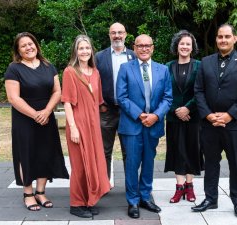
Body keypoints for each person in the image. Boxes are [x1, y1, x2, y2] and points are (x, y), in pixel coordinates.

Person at [192, 24, 237, 217]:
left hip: (235, 124)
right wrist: (208, 115)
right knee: (211, 162)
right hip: (209, 124)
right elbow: (199, 90)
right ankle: (210, 199)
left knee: (235, 163)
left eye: (227, 36)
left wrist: (229, 115)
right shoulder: (206, 62)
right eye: (220, 37)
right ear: (216, 39)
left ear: (235, 39)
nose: (223, 40)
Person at [4, 32, 69, 211]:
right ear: (18, 50)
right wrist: (35, 114)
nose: (28, 47)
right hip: (24, 118)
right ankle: (28, 193)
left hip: (47, 116)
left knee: (45, 152)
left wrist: (47, 111)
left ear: (36, 45)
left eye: (30, 43)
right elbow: (13, 98)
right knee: (26, 154)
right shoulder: (14, 68)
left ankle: (41, 192)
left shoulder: (49, 66)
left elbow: (57, 91)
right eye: (23, 45)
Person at [116, 34, 173, 218]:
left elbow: (167, 98)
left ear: (153, 48)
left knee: (149, 163)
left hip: (153, 125)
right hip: (132, 125)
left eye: (148, 45)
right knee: (132, 164)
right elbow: (121, 97)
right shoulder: (125, 69)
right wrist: (140, 115)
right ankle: (132, 201)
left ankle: (145, 197)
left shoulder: (163, 70)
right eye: (140, 45)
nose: (144, 48)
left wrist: (155, 116)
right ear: (134, 47)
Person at [61, 35, 110, 218]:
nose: (84, 51)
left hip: (93, 125)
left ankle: (89, 200)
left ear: (92, 50)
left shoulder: (95, 72)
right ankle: (76, 204)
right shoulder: (70, 72)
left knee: (94, 162)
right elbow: (66, 103)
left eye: (87, 48)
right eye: (81, 48)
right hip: (78, 124)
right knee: (80, 165)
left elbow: (97, 102)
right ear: (75, 51)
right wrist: (73, 127)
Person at [164, 30, 204, 203]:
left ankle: (190, 187)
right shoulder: (168, 66)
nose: (185, 47)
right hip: (173, 118)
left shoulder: (200, 66)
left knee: (192, 150)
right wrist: (176, 110)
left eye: (188, 44)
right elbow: (163, 92)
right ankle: (179, 188)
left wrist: (188, 109)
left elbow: (202, 91)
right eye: (182, 44)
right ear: (176, 46)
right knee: (176, 151)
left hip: (193, 117)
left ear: (192, 47)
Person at [95, 22, 136, 179]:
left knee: (129, 151)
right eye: (114, 33)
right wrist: (100, 104)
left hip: (128, 112)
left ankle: (130, 185)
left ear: (125, 34)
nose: (117, 35)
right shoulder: (99, 57)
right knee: (104, 150)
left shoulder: (134, 56)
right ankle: (103, 185)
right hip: (107, 111)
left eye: (120, 32)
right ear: (109, 35)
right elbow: (94, 83)